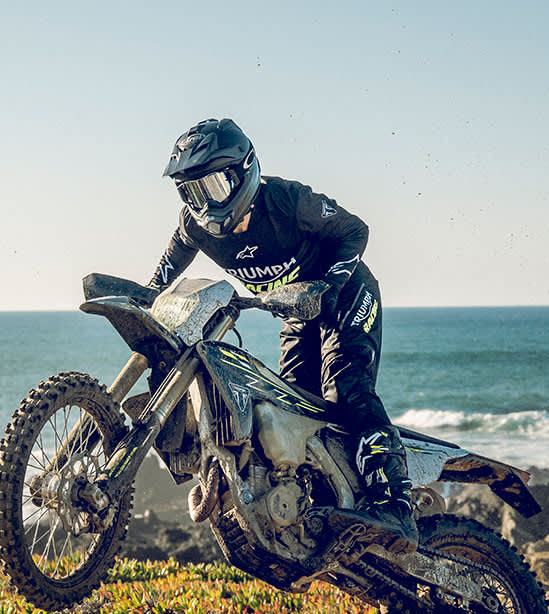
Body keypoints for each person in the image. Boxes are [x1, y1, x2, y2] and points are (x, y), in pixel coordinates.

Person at [146, 117, 416, 551]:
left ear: (243, 174)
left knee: (347, 390)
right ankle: (327, 500)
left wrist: (328, 287)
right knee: (291, 409)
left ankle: (396, 508)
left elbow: (355, 230)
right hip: (294, 310)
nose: (204, 202)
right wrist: (147, 296)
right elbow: (167, 267)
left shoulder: (288, 201)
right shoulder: (194, 225)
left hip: (345, 293)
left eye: (213, 186)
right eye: (192, 191)